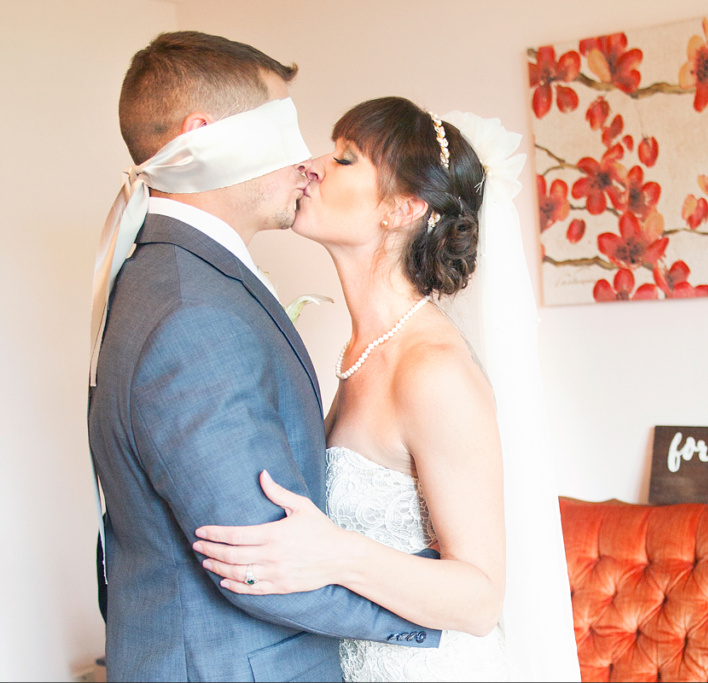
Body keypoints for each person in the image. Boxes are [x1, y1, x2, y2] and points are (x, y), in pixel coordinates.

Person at [87, 34, 440, 682]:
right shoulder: (193, 311)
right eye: (285, 128)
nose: (307, 161)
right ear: (205, 135)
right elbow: (261, 563)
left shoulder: (174, 275)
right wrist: (436, 605)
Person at [191, 97, 581, 681]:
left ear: (403, 208)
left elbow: (479, 599)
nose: (314, 164)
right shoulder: (362, 352)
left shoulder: (433, 368)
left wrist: (334, 554)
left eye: (345, 158)